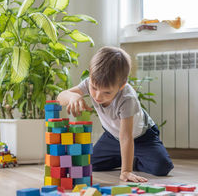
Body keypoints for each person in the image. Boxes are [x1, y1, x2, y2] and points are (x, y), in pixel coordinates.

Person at [57, 46, 174, 182]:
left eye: (107, 92)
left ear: (121, 85)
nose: (97, 96)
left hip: (142, 136)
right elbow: (60, 97)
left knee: (162, 167)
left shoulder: (127, 98)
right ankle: (125, 156)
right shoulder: (90, 82)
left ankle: (132, 159)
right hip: (112, 136)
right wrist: (72, 97)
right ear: (90, 77)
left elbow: (126, 136)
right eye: (94, 89)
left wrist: (126, 171)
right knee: (91, 163)